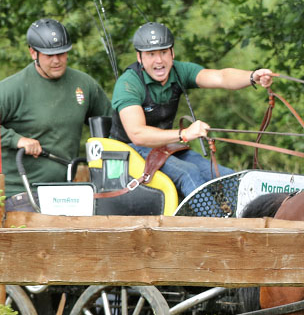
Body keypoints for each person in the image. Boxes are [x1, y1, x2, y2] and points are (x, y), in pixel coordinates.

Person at [110, 22, 273, 197]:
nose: (159, 60)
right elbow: (138, 134)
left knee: (225, 176)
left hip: (163, 148)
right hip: (128, 151)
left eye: (164, 52)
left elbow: (220, 77)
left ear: (172, 53)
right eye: (151, 54)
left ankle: (242, 220)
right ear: (140, 57)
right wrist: (183, 134)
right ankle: (211, 223)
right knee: (188, 174)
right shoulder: (128, 83)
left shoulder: (179, 71)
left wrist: (252, 77)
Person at [0, 18, 113, 211]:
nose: (56, 60)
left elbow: (112, 127)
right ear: (33, 52)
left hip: (67, 190)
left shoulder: (84, 84)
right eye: (49, 55)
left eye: (61, 53)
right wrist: (16, 140)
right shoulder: (13, 88)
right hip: (22, 193)